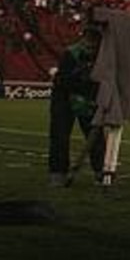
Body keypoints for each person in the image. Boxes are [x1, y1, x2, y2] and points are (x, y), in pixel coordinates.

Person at [47, 23, 105, 187]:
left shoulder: (102, 55)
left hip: (87, 99)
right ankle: (58, 173)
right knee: (60, 136)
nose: (91, 42)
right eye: (89, 37)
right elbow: (63, 81)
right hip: (64, 98)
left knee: (95, 137)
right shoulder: (71, 53)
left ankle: (100, 171)